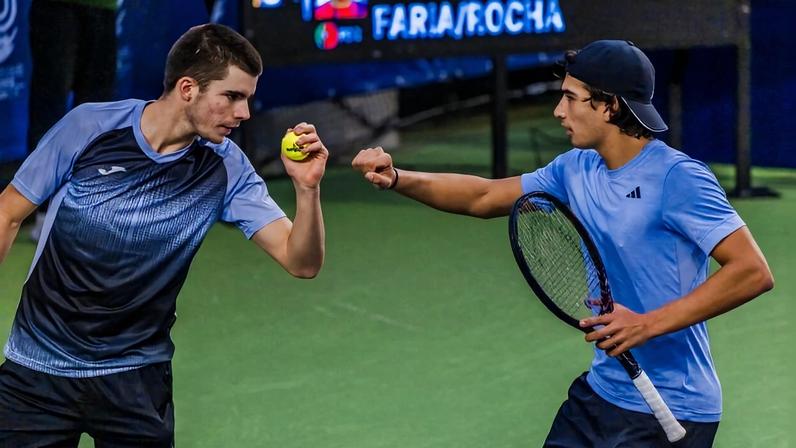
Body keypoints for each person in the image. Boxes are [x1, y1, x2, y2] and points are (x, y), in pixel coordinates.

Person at [352, 40, 773, 447]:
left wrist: (646, 324)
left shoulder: (678, 177)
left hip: (673, 405)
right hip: (599, 396)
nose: (558, 111)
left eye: (571, 98)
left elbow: (752, 271)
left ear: (609, 106)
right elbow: (482, 196)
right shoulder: (574, 170)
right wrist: (397, 178)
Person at [0, 23, 327, 446]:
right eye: (232, 96)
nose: (244, 113)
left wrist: (307, 188)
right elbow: (8, 214)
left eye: (247, 98)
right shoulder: (90, 128)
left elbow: (301, 261)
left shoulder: (226, 167)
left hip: (135, 380)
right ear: (188, 88)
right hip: (36, 371)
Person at [27, 0, 119, 242]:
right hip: (58, 7)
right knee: (50, 111)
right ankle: (43, 212)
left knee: (98, 115)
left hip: (105, 7)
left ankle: (87, 211)